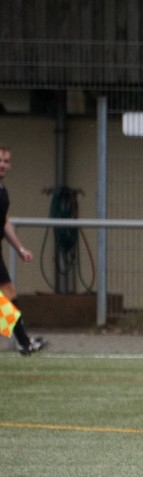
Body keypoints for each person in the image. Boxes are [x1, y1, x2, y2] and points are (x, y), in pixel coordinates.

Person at [0, 145, 50, 356]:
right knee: (5, 297)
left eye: (6, 161)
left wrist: (20, 248)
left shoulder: (3, 192)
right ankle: (23, 341)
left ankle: (23, 342)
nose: (3, 165)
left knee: (7, 296)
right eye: (0, 160)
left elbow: (4, 222)